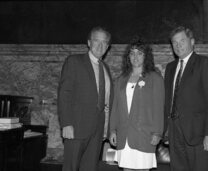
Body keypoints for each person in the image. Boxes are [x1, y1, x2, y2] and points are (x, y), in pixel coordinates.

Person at [164, 26, 208, 171]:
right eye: (174, 42)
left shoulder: (205, 63)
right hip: (174, 133)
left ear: (192, 41)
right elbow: (168, 101)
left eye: (182, 41)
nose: (178, 45)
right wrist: (165, 130)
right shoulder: (170, 68)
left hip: (199, 134)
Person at [58, 26, 113, 171]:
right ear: (89, 42)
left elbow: (105, 101)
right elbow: (64, 93)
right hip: (76, 128)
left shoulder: (106, 68)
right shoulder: (74, 61)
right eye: (96, 41)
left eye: (104, 42)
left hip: (98, 131)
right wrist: (66, 123)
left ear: (108, 46)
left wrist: (107, 127)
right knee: (71, 168)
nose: (100, 46)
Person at [109, 37, 165, 171]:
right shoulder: (120, 80)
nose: (135, 57)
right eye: (132, 53)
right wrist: (112, 130)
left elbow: (159, 108)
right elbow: (115, 108)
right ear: (128, 56)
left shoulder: (155, 79)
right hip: (124, 135)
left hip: (144, 135)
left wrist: (157, 132)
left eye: (140, 53)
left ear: (146, 56)